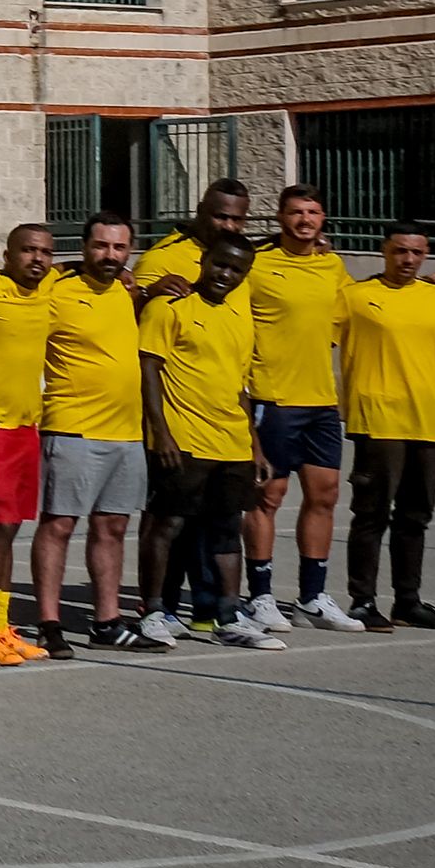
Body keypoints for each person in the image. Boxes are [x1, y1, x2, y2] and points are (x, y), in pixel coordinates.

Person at [340, 225, 435, 630]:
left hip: (427, 423)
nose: (408, 260)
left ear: (426, 255)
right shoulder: (354, 297)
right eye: (400, 251)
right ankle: (362, 601)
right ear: (384, 251)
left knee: (415, 517)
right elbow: (317, 343)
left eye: (416, 253)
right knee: (370, 515)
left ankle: (408, 601)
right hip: (377, 421)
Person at [137, 232, 277, 649]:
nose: (226, 274)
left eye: (237, 270)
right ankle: (153, 611)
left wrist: (254, 444)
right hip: (184, 438)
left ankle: (228, 614)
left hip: (231, 441)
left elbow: (239, 387)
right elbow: (148, 370)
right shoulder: (170, 307)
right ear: (204, 261)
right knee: (168, 524)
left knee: (225, 530)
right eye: (220, 264)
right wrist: (160, 431)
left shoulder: (237, 315)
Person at [241, 186, 366, 634]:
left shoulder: (332, 266)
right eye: (296, 212)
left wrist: (428, 283)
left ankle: (312, 597)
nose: (305, 219)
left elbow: (360, 309)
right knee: (267, 498)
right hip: (272, 399)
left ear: (323, 218)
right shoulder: (256, 263)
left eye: (313, 212)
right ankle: (260, 598)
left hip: (320, 402)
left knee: (325, 495)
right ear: (280, 217)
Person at [34, 213, 157, 657]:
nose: (110, 255)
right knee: (59, 526)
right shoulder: (56, 290)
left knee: (113, 527)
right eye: (101, 246)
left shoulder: (128, 292)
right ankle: (48, 623)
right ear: (84, 247)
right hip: (72, 428)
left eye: (119, 248)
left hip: (126, 432)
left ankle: (107, 621)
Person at [0, 212, 56, 663]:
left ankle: (2, 627)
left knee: (12, 529)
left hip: (26, 428)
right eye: (28, 250)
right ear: (7, 255)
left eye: (44, 252)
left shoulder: (51, 293)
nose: (36, 259)